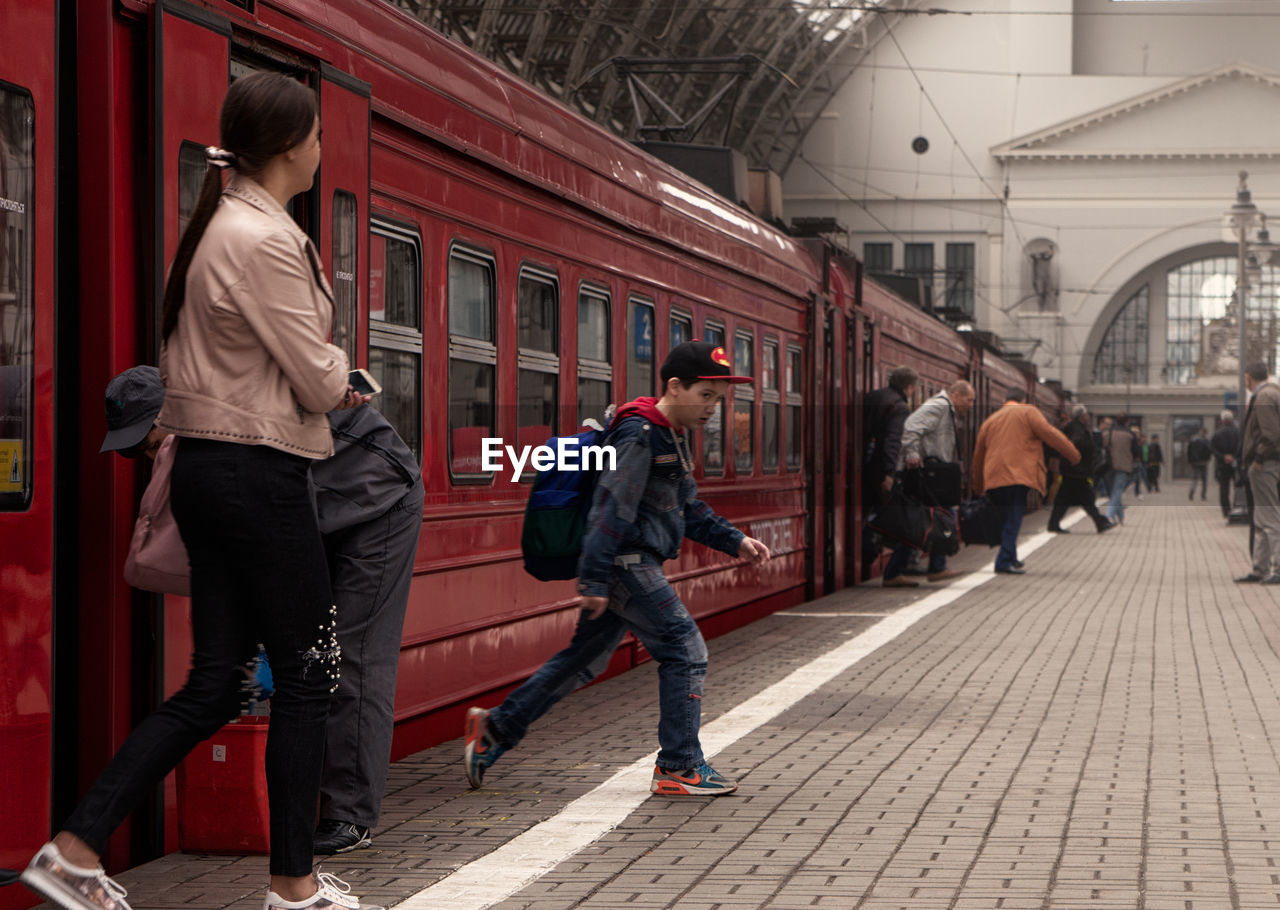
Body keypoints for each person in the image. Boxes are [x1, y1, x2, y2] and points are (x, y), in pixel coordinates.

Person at [22, 73, 381, 910]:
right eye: (319, 135)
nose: (323, 148)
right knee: (309, 674)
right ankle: (293, 888)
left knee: (216, 680)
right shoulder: (263, 236)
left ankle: (73, 849)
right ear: (293, 147)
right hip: (260, 471)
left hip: (208, 471)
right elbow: (322, 382)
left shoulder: (223, 222)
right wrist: (341, 376)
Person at [96, 366, 424, 859]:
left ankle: (350, 817)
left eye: (149, 440)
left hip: (379, 501)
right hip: (317, 508)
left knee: (349, 658)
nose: (149, 455)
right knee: (308, 658)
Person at [463, 342, 771, 796]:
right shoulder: (640, 434)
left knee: (583, 659)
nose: (713, 408)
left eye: (718, 400)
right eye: (706, 396)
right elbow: (610, 507)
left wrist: (735, 540)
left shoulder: (669, 434)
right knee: (685, 649)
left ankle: (496, 728)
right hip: (627, 563)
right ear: (674, 386)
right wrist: (592, 578)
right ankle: (679, 766)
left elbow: (687, 509)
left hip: (627, 563)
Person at [972, 389, 1080, 575]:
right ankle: (1003, 562)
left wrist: (978, 486)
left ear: (1006, 401)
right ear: (1022, 400)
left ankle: (1011, 557)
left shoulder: (990, 420)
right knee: (1013, 520)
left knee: (1006, 518)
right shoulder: (1028, 411)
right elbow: (1050, 434)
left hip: (994, 477)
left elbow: (978, 456)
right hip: (1016, 476)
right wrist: (1074, 455)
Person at [882, 379, 975, 585]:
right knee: (936, 518)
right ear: (956, 395)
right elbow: (911, 427)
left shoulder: (946, 409)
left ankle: (922, 569)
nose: (971, 405)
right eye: (969, 400)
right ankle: (928, 568)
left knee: (926, 521)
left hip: (933, 474)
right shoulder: (939, 405)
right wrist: (913, 453)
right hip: (925, 474)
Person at [860, 365, 918, 585]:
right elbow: (892, 442)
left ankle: (867, 550)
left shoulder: (874, 396)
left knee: (873, 512)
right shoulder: (900, 406)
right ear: (909, 387)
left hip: (862, 466)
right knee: (888, 515)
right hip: (879, 470)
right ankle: (870, 551)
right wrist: (889, 473)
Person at [1235, 362, 1280, 585]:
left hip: (1266, 464)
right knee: (1262, 518)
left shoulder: (1263, 397)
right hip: (1270, 463)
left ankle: (1276, 568)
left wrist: (1259, 459)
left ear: (1249, 377)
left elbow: (1271, 434)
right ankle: (1260, 568)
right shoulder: (1273, 394)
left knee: (1269, 518)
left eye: (1246, 379)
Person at [1046, 405, 1113, 535]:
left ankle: (1053, 524)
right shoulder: (1076, 429)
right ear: (1081, 415)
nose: (1087, 417)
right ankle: (1100, 522)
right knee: (1086, 498)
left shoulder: (1076, 427)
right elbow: (1074, 445)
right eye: (1086, 414)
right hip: (1076, 469)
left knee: (1064, 499)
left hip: (1073, 469)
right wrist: (1088, 450)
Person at [1104, 418, 1137, 525]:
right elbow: (1136, 450)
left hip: (1109, 465)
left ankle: (1121, 517)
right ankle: (1109, 516)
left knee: (1114, 492)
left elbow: (1101, 445)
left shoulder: (1108, 432)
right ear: (1127, 422)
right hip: (1123, 465)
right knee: (1117, 491)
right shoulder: (1130, 434)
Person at [1212, 411, 1242, 517]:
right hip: (1236, 464)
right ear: (1232, 419)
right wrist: (1234, 456)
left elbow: (1214, 449)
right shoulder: (1238, 432)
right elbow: (1241, 446)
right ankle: (1237, 508)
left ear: (1223, 420)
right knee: (1237, 486)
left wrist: (1224, 457)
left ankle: (1226, 511)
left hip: (1222, 464)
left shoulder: (1217, 433)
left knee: (1224, 488)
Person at [1187, 426, 1212, 501]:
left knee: (1194, 479)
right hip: (1204, 462)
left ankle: (1191, 493)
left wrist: (1190, 461)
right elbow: (1209, 451)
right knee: (1204, 480)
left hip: (1194, 462)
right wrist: (1208, 459)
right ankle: (1203, 495)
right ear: (1205, 433)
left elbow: (1188, 451)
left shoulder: (1193, 440)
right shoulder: (1207, 441)